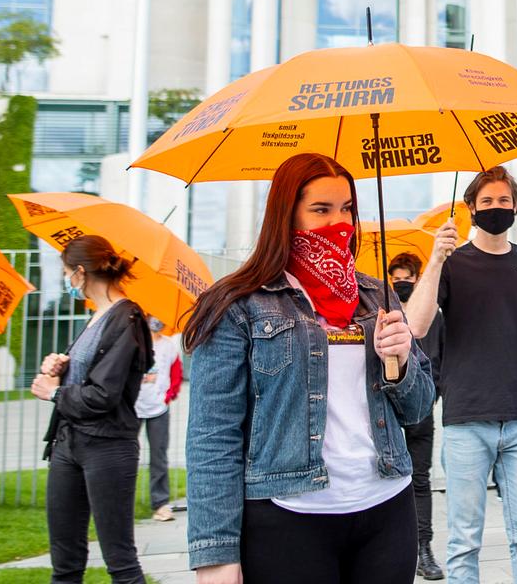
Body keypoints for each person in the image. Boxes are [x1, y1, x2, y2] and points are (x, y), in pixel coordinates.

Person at [185, 153, 434, 584]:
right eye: (321, 209)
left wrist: (402, 362)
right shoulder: (238, 305)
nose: (338, 222)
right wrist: (216, 552)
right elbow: (212, 435)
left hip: (386, 508)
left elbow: (419, 408)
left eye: (347, 209)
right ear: (287, 216)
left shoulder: (379, 298)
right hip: (288, 516)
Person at [406, 165, 517, 584]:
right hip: (465, 422)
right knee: (463, 541)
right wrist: (436, 260)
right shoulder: (452, 265)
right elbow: (415, 326)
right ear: (471, 208)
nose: (497, 208)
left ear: (516, 207)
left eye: (504, 201)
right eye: (488, 202)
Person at [31, 235, 153, 584]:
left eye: (68, 273)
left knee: (120, 561)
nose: (68, 281)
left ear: (81, 272)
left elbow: (104, 394)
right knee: (65, 563)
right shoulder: (97, 316)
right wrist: (61, 367)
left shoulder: (127, 317)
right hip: (68, 444)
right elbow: (89, 375)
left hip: (107, 446)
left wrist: (55, 394)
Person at [389, 250, 446, 580]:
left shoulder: (432, 314)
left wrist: (432, 393)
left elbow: (438, 358)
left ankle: (424, 549)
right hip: (388, 413)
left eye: (407, 278)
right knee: (391, 483)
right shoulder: (380, 309)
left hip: (421, 411)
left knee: (419, 481)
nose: (401, 283)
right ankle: (400, 550)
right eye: (395, 279)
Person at [135, 316, 182, 522]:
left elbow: (176, 373)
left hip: (158, 408)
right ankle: (122, 502)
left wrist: (168, 395)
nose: (156, 321)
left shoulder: (169, 346)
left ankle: (160, 503)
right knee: (125, 456)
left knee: (159, 457)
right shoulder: (134, 343)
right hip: (132, 407)